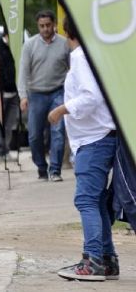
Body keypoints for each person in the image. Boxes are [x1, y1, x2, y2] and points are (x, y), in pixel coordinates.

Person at [49, 16, 118, 281]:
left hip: (93, 138)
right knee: (98, 200)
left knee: (86, 199)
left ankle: (93, 261)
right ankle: (107, 259)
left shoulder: (80, 57)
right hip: (101, 135)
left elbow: (90, 96)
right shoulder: (95, 55)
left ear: (67, 33)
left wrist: (61, 109)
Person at [18, 9, 70, 181]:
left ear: (54, 24)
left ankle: (55, 170)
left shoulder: (64, 44)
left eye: (48, 25)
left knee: (58, 131)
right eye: (42, 26)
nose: (45, 29)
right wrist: (23, 96)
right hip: (36, 94)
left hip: (58, 91)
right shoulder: (30, 45)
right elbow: (23, 72)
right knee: (34, 135)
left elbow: (73, 69)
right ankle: (41, 167)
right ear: (38, 26)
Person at [0, 32, 19, 163]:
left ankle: (4, 150)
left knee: (8, 124)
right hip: (0, 91)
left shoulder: (15, 48)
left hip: (13, 92)